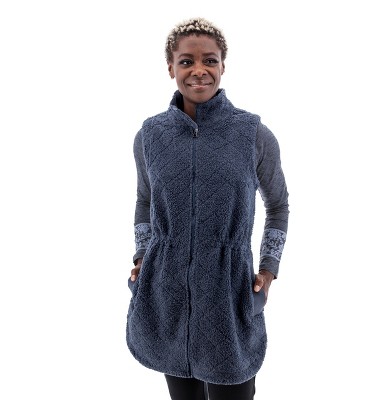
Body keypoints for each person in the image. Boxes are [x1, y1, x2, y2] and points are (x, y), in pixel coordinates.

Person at [126, 17, 289, 400]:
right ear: (171, 67)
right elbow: (145, 201)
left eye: (210, 61)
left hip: (228, 296)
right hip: (166, 296)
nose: (199, 70)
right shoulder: (150, 136)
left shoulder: (253, 134)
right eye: (186, 61)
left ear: (222, 66)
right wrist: (142, 256)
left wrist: (268, 270)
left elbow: (278, 205)